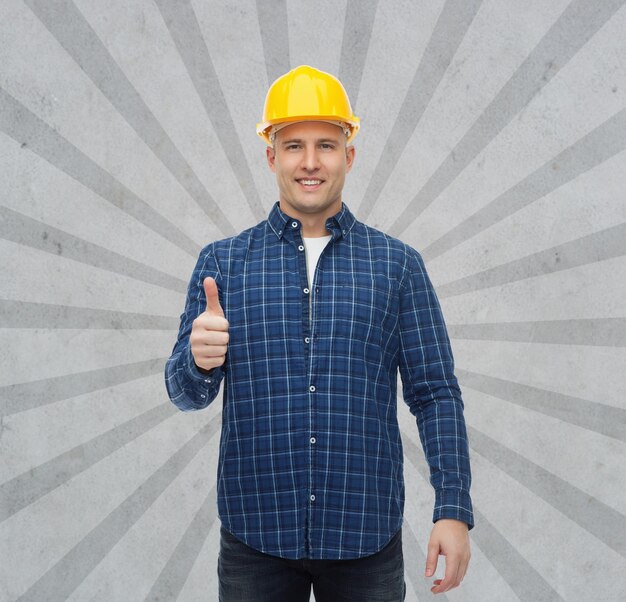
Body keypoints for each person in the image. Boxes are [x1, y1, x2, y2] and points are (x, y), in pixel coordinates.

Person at [165, 65, 473, 601]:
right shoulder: (224, 263)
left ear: (349, 155)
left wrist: (453, 508)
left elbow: (435, 394)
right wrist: (199, 360)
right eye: (293, 146)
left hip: (364, 537)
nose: (310, 162)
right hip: (255, 535)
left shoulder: (396, 266)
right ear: (271, 156)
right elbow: (185, 395)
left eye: (326, 145)